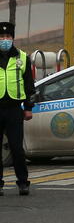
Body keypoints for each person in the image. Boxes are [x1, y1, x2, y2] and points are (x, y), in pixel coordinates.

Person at [0, 21, 36, 196]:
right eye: (2, 37)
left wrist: (28, 107)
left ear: (13, 38)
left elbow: (30, 85)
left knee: (16, 147)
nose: (5, 40)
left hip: (14, 108)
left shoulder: (22, 57)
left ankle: (23, 182)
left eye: (8, 37)